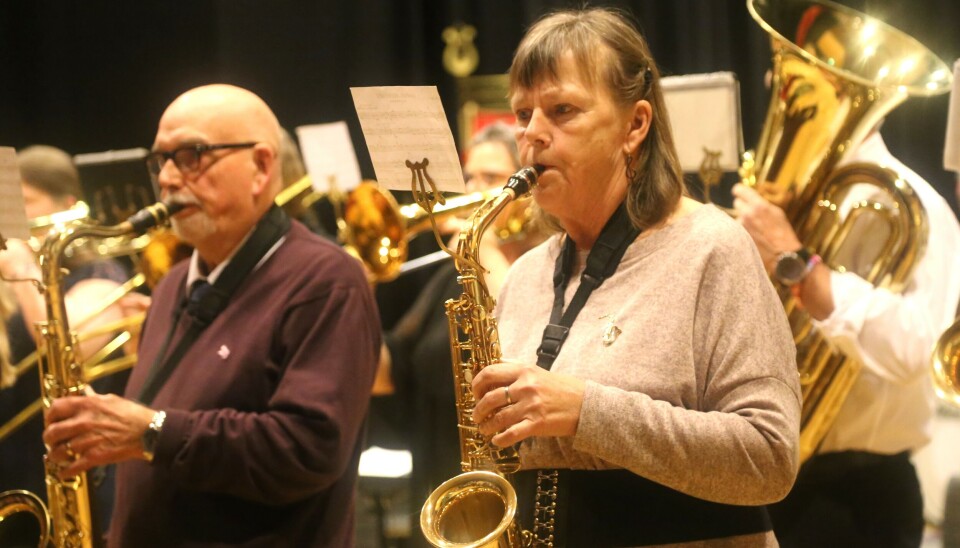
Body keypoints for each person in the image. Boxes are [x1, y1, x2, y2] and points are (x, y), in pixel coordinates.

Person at [466, 8, 801, 546]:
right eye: (524, 114)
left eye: (562, 110)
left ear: (635, 124)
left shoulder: (711, 246)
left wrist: (585, 410)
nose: (532, 135)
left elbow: (769, 456)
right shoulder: (526, 275)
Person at [40, 84, 381, 547]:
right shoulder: (173, 284)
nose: (167, 178)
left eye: (192, 155)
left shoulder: (326, 279)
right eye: (160, 160)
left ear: (261, 166)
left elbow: (308, 450)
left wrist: (152, 431)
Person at [734, 122, 960, 543]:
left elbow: (921, 351)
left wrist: (799, 266)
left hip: (858, 498)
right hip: (761, 471)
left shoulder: (920, 206)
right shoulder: (786, 201)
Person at [370, 121, 543, 544]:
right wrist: (352, 292)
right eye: (471, 176)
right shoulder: (452, 278)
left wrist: (483, 248)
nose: (473, 189)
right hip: (442, 489)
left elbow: (523, 348)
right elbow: (385, 371)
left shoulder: (545, 265)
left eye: (490, 178)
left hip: (516, 498)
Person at [0, 144, 132, 539]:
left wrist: (23, 265)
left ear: (68, 205)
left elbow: (72, 344)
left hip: (64, 481)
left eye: (26, 203)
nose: (14, 221)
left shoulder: (100, 271)